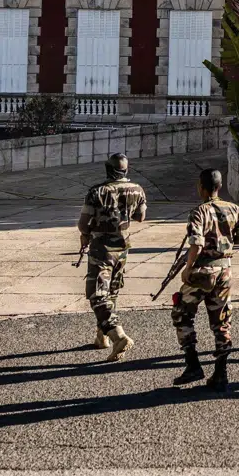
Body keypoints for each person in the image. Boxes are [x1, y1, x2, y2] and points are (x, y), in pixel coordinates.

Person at [172, 168, 239, 392]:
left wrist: (187, 269)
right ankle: (220, 372)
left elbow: (195, 244)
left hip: (203, 271)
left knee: (181, 313)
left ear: (202, 187)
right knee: (221, 321)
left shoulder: (199, 212)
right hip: (225, 272)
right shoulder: (234, 209)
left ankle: (193, 364)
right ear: (220, 186)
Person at [78, 154, 148, 361]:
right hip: (123, 248)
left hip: (102, 248)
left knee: (96, 293)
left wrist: (85, 234)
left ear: (108, 169)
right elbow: (140, 217)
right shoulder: (137, 189)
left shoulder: (97, 192)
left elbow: (83, 223)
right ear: (126, 170)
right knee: (111, 292)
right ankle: (102, 337)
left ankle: (118, 336)